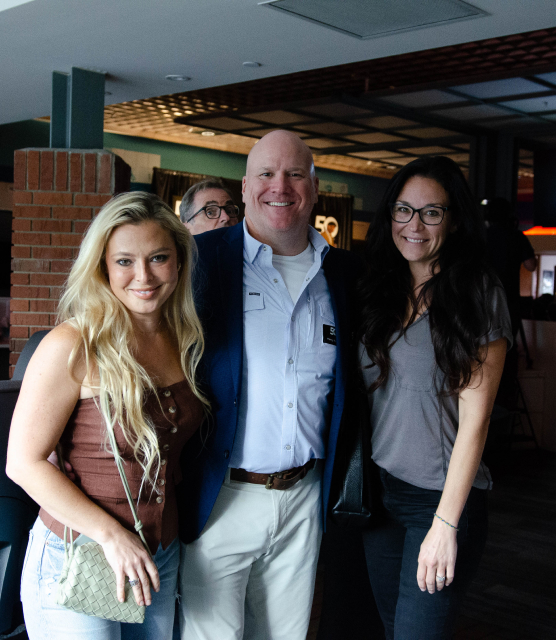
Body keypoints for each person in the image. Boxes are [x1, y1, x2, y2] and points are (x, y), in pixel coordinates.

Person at [177, 130, 361, 640]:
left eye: (295, 173)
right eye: (266, 173)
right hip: (220, 499)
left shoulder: (342, 274)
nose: (280, 186)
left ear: (314, 187)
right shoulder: (198, 260)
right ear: (244, 186)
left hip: (304, 499)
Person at [7, 192, 207, 639]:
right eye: (124, 261)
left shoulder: (185, 338)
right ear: (102, 266)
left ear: (178, 262)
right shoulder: (73, 343)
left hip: (159, 557)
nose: (144, 276)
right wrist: (111, 535)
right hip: (78, 553)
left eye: (158, 258)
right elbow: (22, 463)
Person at [357, 156, 512, 639]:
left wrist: (445, 524)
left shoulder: (477, 294)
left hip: (440, 501)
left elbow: (476, 423)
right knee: (391, 627)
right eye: (403, 210)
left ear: (455, 219)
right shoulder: (380, 287)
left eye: (431, 213)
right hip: (380, 494)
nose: (414, 225)